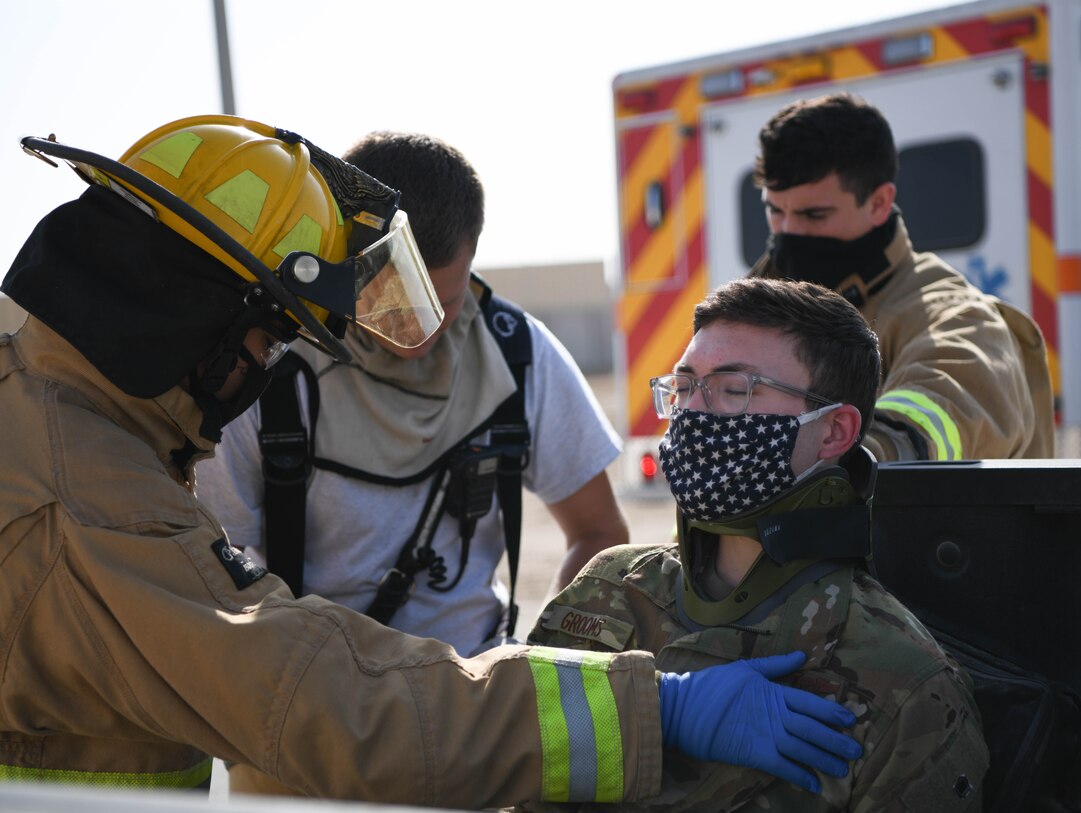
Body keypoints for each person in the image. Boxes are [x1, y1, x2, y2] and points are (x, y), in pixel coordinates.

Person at [0, 115, 864, 808]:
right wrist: (654, 707)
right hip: (324, 752)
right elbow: (308, 690)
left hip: (455, 736)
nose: (261, 369)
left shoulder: (49, 396)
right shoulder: (88, 500)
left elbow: (589, 529)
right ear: (190, 313)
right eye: (264, 338)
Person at [523, 278, 989, 811]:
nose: (696, 414)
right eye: (683, 386)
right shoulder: (603, 593)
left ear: (834, 432)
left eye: (735, 388)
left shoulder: (906, 682)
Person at [196, 131, 627, 662]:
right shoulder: (268, 366)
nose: (418, 332)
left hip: (478, 702)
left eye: (442, 303)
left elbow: (599, 536)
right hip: (314, 707)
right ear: (345, 257)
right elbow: (208, 577)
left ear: (472, 257)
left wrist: (536, 666)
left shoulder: (517, 354)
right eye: (391, 303)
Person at [749, 92, 1054, 462]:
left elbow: (950, 399)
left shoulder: (955, 314)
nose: (788, 231)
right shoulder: (757, 306)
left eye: (815, 215)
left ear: (878, 202)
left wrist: (863, 454)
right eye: (775, 211)